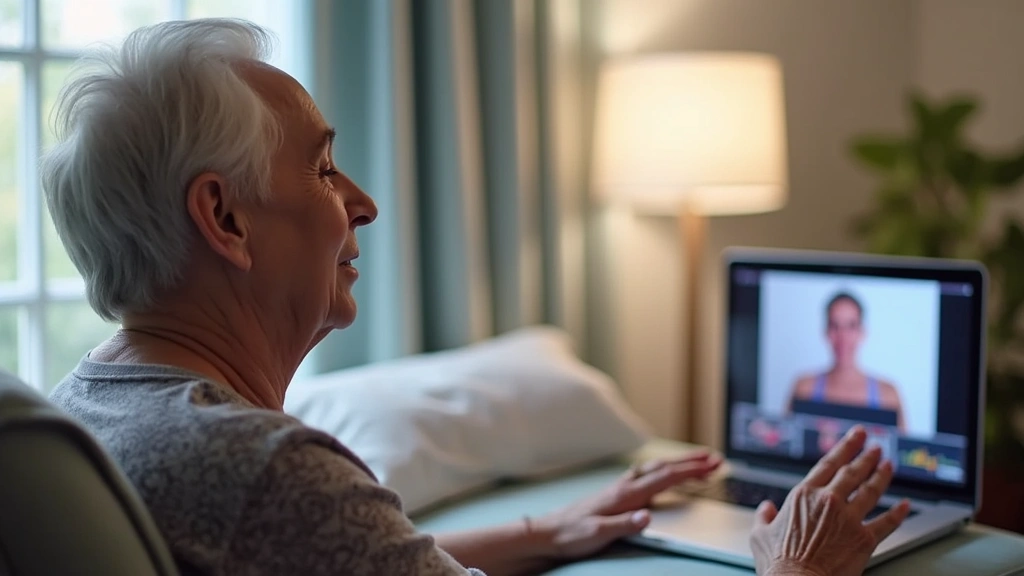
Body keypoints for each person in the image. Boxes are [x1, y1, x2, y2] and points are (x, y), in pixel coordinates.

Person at [41, 18, 909, 576]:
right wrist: (799, 568)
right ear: (225, 218)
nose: (362, 203)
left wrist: (546, 530)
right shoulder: (268, 470)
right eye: (321, 168)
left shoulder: (81, 413)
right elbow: (294, 522)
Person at [788, 292, 906, 432]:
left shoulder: (887, 396)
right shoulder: (804, 389)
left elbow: (901, 445)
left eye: (851, 326)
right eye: (835, 326)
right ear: (826, 332)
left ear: (862, 332)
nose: (842, 337)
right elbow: (785, 440)